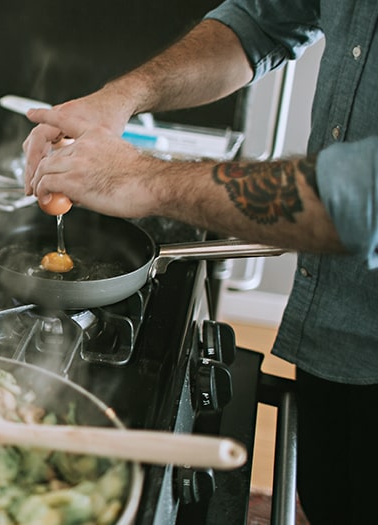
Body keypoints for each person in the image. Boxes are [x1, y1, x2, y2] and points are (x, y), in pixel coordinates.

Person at [21, 1, 378, 523]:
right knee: (331, 499)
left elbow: (364, 196)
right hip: (333, 325)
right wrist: (118, 101)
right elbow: (263, 21)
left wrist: (143, 179)